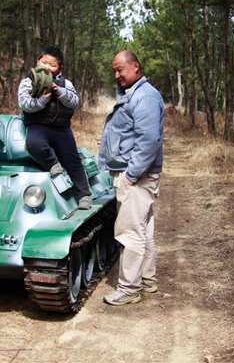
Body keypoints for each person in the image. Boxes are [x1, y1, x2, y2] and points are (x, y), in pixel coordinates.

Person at [98, 50, 164, 306]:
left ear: (135, 67)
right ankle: (147, 280)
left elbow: (149, 140)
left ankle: (129, 288)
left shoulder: (145, 96)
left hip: (136, 176)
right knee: (143, 230)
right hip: (135, 174)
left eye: (120, 70)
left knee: (129, 232)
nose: (116, 75)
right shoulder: (134, 94)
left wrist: (131, 175)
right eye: (114, 70)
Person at [18, 46, 92, 210]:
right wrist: (43, 100)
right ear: (38, 61)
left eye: (52, 65)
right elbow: (25, 104)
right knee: (33, 144)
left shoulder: (66, 83)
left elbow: (75, 102)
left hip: (61, 128)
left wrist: (60, 92)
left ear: (60, 68)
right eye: (44, 62)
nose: (47, 67)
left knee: (73, 161)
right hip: (38, 125)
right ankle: (53, 165)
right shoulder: (28, 81)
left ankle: (84, 195)